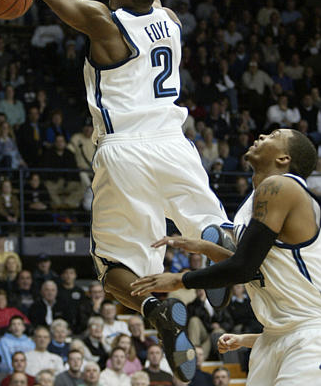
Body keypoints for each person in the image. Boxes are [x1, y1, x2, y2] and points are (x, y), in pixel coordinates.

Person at [32, 0, 229, 382]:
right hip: (175, 143)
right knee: (208, 221)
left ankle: (153, 309)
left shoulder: (106, 22)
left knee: (113, 264)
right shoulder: (171, 20)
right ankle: (216, 244)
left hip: (126, 151)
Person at [131, 129, 321, 385]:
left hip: (308, 334)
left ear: (284, 158)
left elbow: (242, 268)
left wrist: (179, 280)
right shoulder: (254, 199)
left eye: (274, 135)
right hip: (272, 335)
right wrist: (206, 248)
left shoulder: (281, 186)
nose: (263, 135)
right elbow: (256, 269)